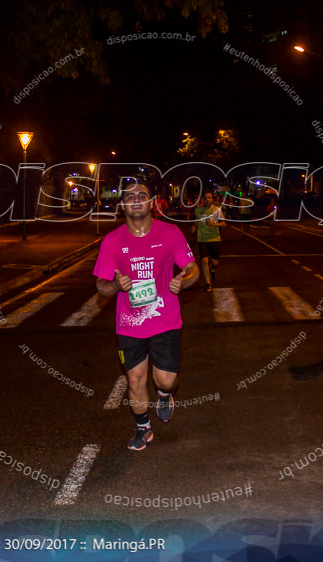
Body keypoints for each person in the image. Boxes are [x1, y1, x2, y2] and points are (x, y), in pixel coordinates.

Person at [94, 183, 199, 451]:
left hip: (165, 320)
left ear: (152, 203)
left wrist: (183, 282)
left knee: (166, 379)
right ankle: (143, 428)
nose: (136, 200)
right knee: (135, 380)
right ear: (123, 206)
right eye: (130, 197)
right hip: (129, 325)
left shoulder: (170, 233)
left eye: (142, 196)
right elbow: (101, 285)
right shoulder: (112, 241)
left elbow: (192, 269)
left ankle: (164, 395)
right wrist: (117, 286)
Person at [195, 189, 226, 292]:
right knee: (204, 260)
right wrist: (194, 227)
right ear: (202, 200)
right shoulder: (198, 210)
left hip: (215, 238)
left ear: (212, 199)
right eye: (205, 198)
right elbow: (197, 222)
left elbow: (224, 223)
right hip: (202, 238)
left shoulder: (217, 210)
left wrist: (214, 225)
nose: (207, 199)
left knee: (215, 262)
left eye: (209, 197)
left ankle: (212, 269)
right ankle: (208, 283)